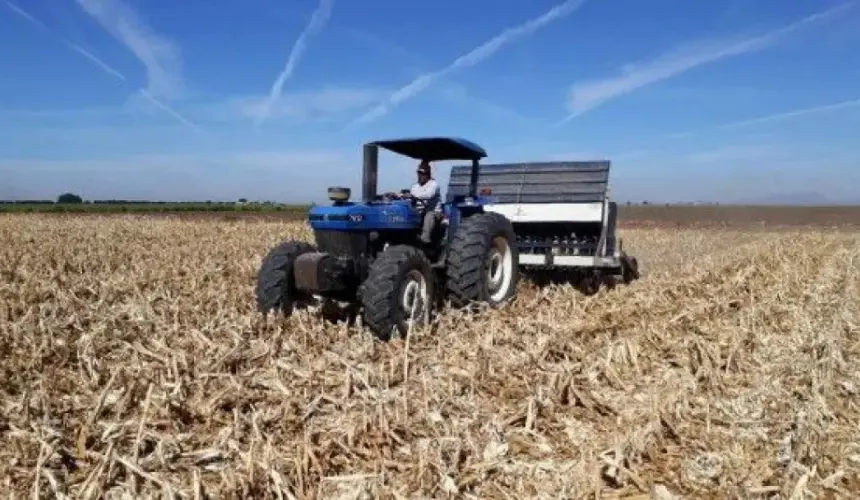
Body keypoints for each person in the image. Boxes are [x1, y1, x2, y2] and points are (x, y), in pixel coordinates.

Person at [406, 160, 441, 244]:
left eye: (422, 173)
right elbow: (410, 198)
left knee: (429, 215)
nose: (420, 175)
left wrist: (413, 196)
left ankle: (425, 239)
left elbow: (429, 195)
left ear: (428, 174)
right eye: (419, 173)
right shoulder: (415, 186)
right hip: (419, 211)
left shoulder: (434, 184)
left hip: (434, 212)